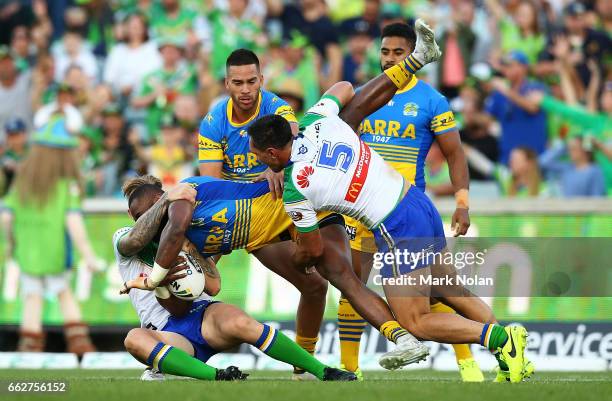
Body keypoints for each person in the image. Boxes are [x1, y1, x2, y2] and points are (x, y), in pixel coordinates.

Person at [247, 19, 531, 383]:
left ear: (272, 153)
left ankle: (499, 338)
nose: (257, 160)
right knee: (447, 289)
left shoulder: (294, 189)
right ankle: (512, 353)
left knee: (415, 321)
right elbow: (345, 86)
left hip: (396, 225)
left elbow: (311, 248)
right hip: (417, 201)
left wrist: (301, 262)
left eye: (258, 156)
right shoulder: (317, 119)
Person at [340, 22, 480, 381]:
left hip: (406, 213)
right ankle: (348, 370)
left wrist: (462, 202)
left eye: (398, 52)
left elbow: (455, 154)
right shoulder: (362, 97)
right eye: (384, 52)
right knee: (352, 286)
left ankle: (468, 365)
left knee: (436, 291)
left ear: (413, 55)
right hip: (361, 209)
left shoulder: (431, 100)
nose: (389, 60)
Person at [115, 183, 356, 382]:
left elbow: (213, 285)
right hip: (167, 334)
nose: (150, 222)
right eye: (140, 216)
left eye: (152, 211)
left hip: (203, 316)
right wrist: (160, 281)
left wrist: (192, 254)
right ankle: (216, 376)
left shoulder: (185, 233)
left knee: (243, 322)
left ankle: (322, 371)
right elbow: (135, 240)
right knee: (134, 339)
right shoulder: (123, 239)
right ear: (131, 217)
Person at [1, 116, 99, 356]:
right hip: (54, 250)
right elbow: (73, 222)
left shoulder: (21, 183)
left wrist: (11, 242)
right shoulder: (66, 186)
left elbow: (5, 217)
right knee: (64, 292)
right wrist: (89, 256)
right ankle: (80, 345)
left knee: (31, 296)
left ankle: (29, 345)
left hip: (27, 250)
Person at [198, 49, 297, 193]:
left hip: (272, 193)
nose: (245, 89)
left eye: (251, 82)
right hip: (233, 197)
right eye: (238, 83)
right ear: (227, 84)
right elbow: (212, 185)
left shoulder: (276, 106)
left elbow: (295, 135)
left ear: (261, 80)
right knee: (190, 186)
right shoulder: (212, 123)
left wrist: (279, 166)